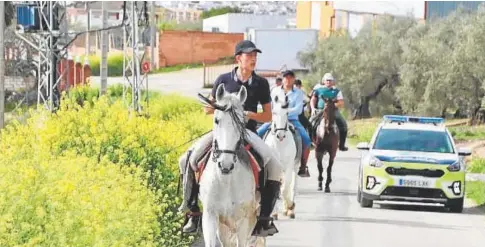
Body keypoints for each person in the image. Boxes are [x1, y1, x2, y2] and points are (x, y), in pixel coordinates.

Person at [178, 40, 283, 237]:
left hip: (247, 133)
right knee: (187, 159)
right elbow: (207, 109)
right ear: (238, 58)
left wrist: (250, 115)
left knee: (275, 166)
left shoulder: (260, 83)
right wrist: (215, 108)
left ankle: (264, 219)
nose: (253, 59)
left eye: (255, 56)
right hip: (221, 132)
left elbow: (268, 116)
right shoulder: (223, 79)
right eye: (249, 56)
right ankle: (192, 211)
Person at [257, 70, 312, 177]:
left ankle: (303, 166)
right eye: (286, 78)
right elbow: (270, 105)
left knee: (306, 139)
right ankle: (258, 162)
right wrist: (277, 113)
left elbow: (299, 109)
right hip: (276, 119)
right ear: (282, 79)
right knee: (258, 133)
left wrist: (286, 111)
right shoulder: (275, 91)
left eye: (291, 78)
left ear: (294, 79)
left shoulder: (298, 92)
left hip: (292, 119)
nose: (288, 80)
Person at [309, 73, 348, 151]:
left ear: (333, 82)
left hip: (333, 111)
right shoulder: (318, 89)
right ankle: (310, 142)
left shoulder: (337, 91)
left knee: (343, 124)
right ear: (324, 81)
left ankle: (341, 145)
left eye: (330, 80)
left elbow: (341, 103)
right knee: (310, 122)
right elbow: (313, 100)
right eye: (327, 80)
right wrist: (313, 108)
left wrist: (332, 106)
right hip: (320, 110)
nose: (329, 82)